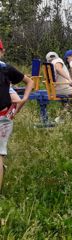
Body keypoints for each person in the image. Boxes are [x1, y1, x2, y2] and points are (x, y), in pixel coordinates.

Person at [0, 39, 34, 192]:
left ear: (2, 52)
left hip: (3, 117)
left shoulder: (5, 68)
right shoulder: (5, 68)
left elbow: (29, 82)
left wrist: (24, 98)